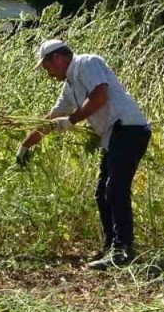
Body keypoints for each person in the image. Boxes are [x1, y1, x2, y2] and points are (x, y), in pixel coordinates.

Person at [16, 39, 152, 270]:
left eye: (47, 67)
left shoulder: (87, 63)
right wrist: (26, 145)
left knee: (115, 189)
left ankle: (123, 250)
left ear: (57, 58)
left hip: (129, 129)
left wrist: (71, 121)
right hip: (114, 136)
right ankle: (111, 246)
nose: (48, 73)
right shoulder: (69, 86)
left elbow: (100, 96)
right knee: (102, 193)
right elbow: (51, 119)